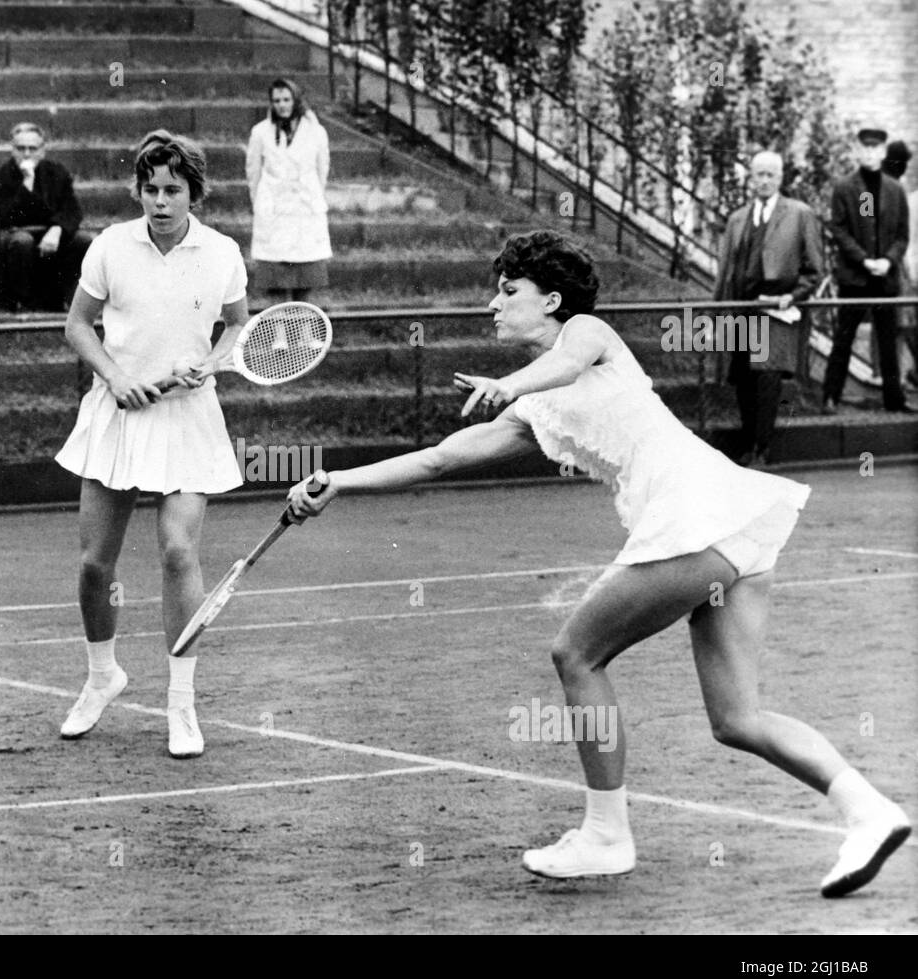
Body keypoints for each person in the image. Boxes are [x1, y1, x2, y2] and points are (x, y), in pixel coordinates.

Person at [286, 230, 911, 898]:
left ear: (552, 299)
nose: (493, 304)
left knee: (576, 652)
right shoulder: (535, 406)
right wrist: (341, 481)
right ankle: (870, 809)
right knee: (737, 719)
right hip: (733, 526)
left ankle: (606, 835)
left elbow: (563, 361)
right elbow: (443, 456)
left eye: (509, 291)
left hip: (696, 518)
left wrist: (509, 382)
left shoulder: (586, 331)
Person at [54, 130, 249, 759]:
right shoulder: (111, 245)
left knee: (176, 553)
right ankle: (102, 675)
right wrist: (116, 377)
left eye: (173, 190)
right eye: (150, 189)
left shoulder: (221, 252)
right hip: (116, 415)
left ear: (194, 192)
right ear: (138, 190)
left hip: (188, 418)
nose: (160, 202)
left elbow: (239, 325)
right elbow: (78, 325)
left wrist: (212, 363)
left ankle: (182, 704)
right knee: (93, 566)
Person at [713, 151, 825, 466]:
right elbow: (725, 271)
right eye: (758, 174)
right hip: (742, 310)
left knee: (767, 377)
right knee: (745, 378)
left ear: (780, 178)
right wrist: (720, 312)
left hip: (775, 310)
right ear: (750, 178)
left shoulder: (800, 214)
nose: (763, 181)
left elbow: (815, 268)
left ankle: (762, 448)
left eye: (770, 175)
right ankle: (749, 444)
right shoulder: (738, 218)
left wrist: (794, 295)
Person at [822, 129, 912, 414]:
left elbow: (902, 235)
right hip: (856, 278)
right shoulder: (845, 187)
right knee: (844, 338)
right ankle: (830, 397)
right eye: (865, 148)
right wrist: (863, 260)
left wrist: (888, 260)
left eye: (876, 149)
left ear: (883, 152)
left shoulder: (895, 190)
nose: (870, 154)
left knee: (888, 341)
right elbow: (838, 228)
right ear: (856, 151)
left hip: (885, 278)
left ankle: (894, 400)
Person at [0, 122, 88, 312]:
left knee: (84, 240)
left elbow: (72, 210)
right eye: (20, 148)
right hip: (14, 234)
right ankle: (23, 303)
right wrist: (27, 183)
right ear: (12, 150)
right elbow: (8, 216)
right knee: (22, 242)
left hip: (50, 233)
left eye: (32, 148)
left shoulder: (57, 173)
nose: (26, 154)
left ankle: (70, 299)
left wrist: (57, 229)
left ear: (42, 151)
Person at [246, 77, 332, 303]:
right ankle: (280, 335)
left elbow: (322, 170)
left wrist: (310, 195)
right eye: (277, 100)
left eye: (286, 99)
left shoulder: (316, 132)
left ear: (296, 100)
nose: (282, 105)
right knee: (276, 277)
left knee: (305, 277)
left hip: (304, 211)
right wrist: (263, 202)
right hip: (275, 211)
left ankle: (303, 332)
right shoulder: (261, 132)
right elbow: (253, 172)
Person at [881, 139, 918, 389]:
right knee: (900, 322)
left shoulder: (902, 191)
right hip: (894, 264)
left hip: (895, 263)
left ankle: (892, 377)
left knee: (900, 322)